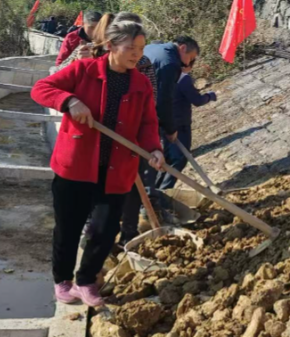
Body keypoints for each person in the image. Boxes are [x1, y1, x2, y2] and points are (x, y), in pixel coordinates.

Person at [31, 19, 165, 307]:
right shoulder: (83, 70)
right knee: (69, 226)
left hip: (117, 169)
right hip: (76, 166)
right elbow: (41, 89)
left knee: (104, 229)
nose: (136, 54)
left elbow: (148, 123)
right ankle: (63, 281)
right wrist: (68, 100)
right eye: (131, 48)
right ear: (111, 45)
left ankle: (86, 280)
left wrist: (154, 149)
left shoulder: (140, 83)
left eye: (140, 48)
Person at [144, 36, 200, 190]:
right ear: (182, 48)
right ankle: (153, 199)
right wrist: (170, 129)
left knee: (151, 159)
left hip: (138, 110)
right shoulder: (170, 63)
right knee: (152, 159)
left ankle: (152, 196)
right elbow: (164, 100)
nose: (188, 63)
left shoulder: (152, 48)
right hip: (145, 115)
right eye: (190, 58)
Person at [165, 65, 217, 177]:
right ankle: (164, 188)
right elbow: (197, 100)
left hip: (164, 123)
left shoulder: (163, 75)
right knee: (179, 159)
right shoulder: (183, 78)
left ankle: (156, 190)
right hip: (180, 124)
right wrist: (210, 96)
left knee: (167, 159)